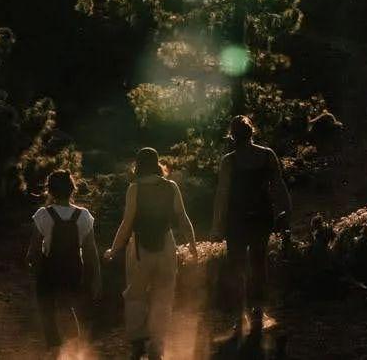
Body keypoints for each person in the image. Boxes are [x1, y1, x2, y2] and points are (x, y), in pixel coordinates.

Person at [104, 147, 196, 360]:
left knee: (136, 294)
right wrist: (192, 244)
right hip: (166, 244)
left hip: (140, 247)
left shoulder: (134, 188)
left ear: (138, 165)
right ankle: (156, 348)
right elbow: (183, 217)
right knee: (163, 296)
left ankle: (138, 342)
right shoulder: (171, 186)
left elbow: (127, 223)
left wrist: (114, 248)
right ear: (157, 164)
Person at [209, 114, 290, 334]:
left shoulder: (229, 161)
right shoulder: (267, 155)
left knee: (236, 266)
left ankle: (239, 316)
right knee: (258, 263)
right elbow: (279, 187)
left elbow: (222, 195)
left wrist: (216, 226)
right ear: (251, 132)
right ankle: (257, 312)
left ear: (232, 136)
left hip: (236, 220)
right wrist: (286, 212)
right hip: (261, 217)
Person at [26, 168, 101, 355]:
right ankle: (74, 349)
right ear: (72, 189)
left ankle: (54, 348)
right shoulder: (84, 216)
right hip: (74, 271)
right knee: (67, 307)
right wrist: (96, 279)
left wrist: (34, 270)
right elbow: (91, 252)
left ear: (50, 191)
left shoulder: (43, 215)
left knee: (46, 309)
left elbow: (33, 250)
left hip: (49, 271)